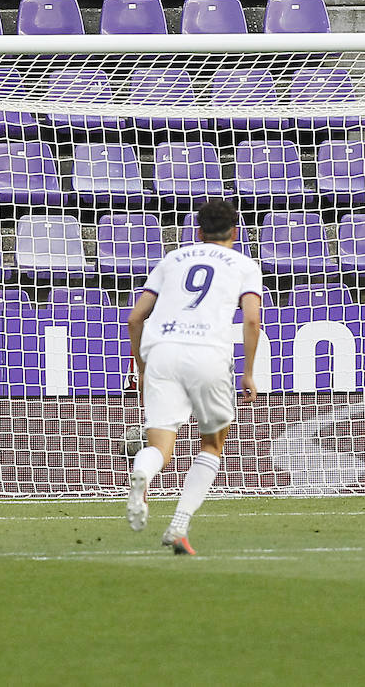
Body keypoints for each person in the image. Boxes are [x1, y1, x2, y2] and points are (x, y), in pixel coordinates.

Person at [125, 199, 263, 555]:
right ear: (235, 232)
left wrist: (141, 368)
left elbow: (135, 318)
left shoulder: (172, 260)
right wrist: (247, 373)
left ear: (197, 232)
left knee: (159, 446)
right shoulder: (245, 265)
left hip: (162, 352)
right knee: (212, 445)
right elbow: (251, 319)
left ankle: (142, 474)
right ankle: (179, 526)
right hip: (208, 355)